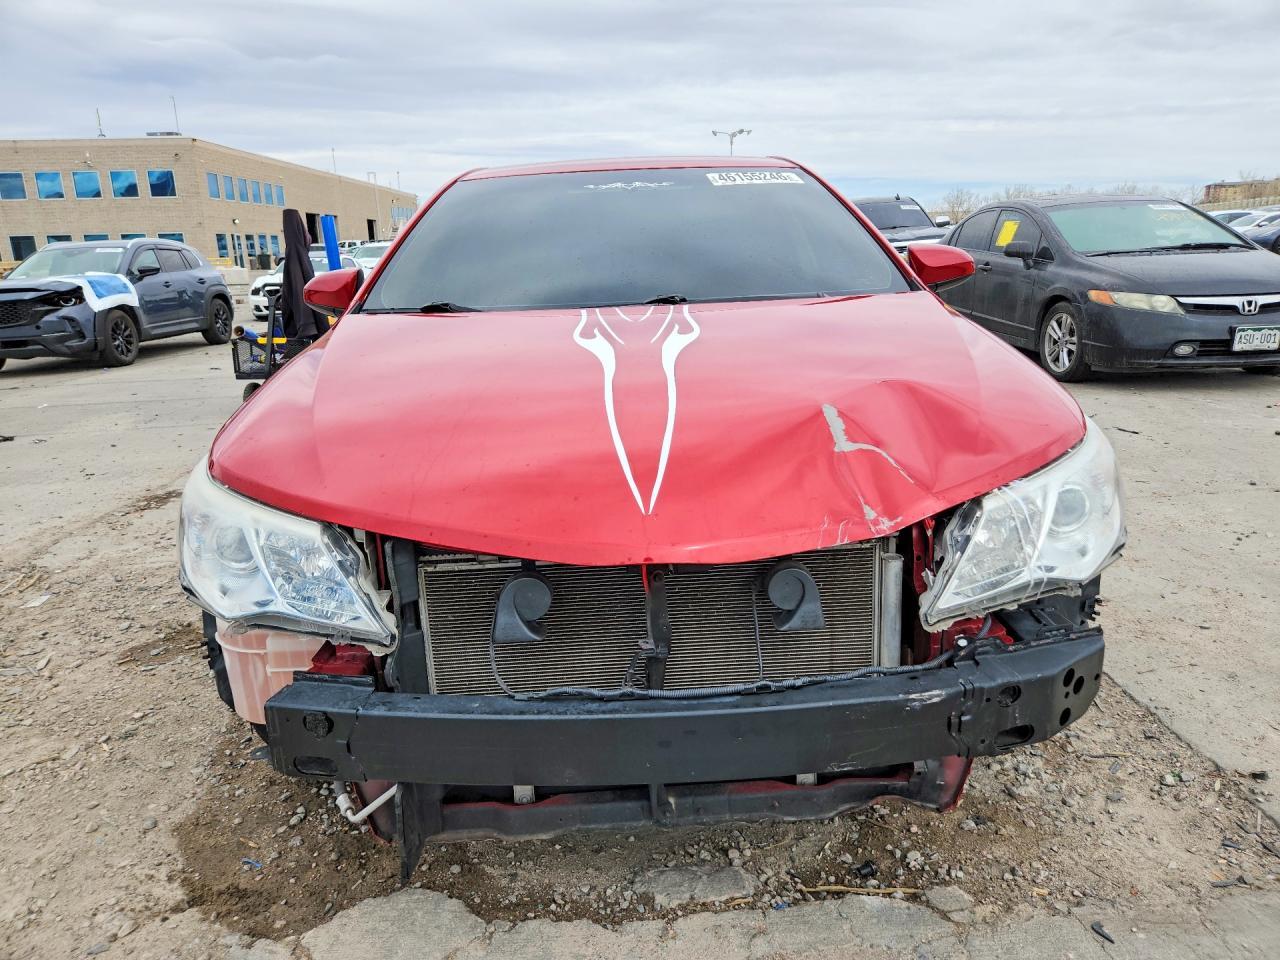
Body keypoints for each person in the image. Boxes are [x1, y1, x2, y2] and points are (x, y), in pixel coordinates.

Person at [279, 209, 326, 341]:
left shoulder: (298, 256)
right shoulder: (296, 257)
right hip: (304, 331)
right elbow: (299, 291)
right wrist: (307, 326)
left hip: (303, 328)